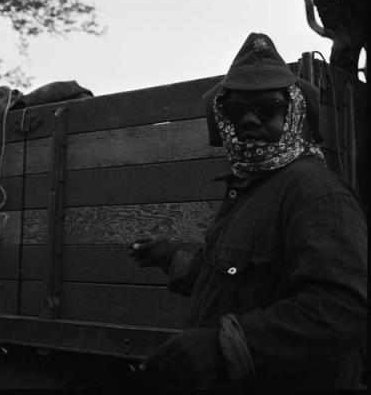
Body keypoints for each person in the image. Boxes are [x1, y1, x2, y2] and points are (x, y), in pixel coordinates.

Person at [129, 32, 367, 390]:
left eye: (268, 107)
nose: (249, 121)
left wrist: (226, 347)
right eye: (236, 110)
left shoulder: (313, 191)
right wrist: (171, 259)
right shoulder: (248, 188)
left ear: (295, 112)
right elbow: (241, 285)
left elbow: (344, 307)